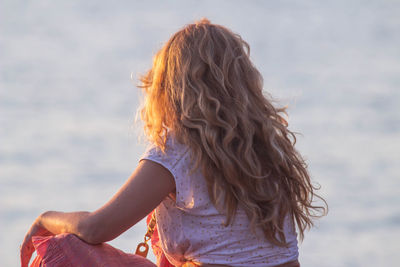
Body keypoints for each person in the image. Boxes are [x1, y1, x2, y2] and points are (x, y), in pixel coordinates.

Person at [20, 18, 326, 267]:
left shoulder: (177, 152)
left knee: (67, 246)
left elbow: (96, 228)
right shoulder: (268, 147)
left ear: (171, 87)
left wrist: (44, 219)